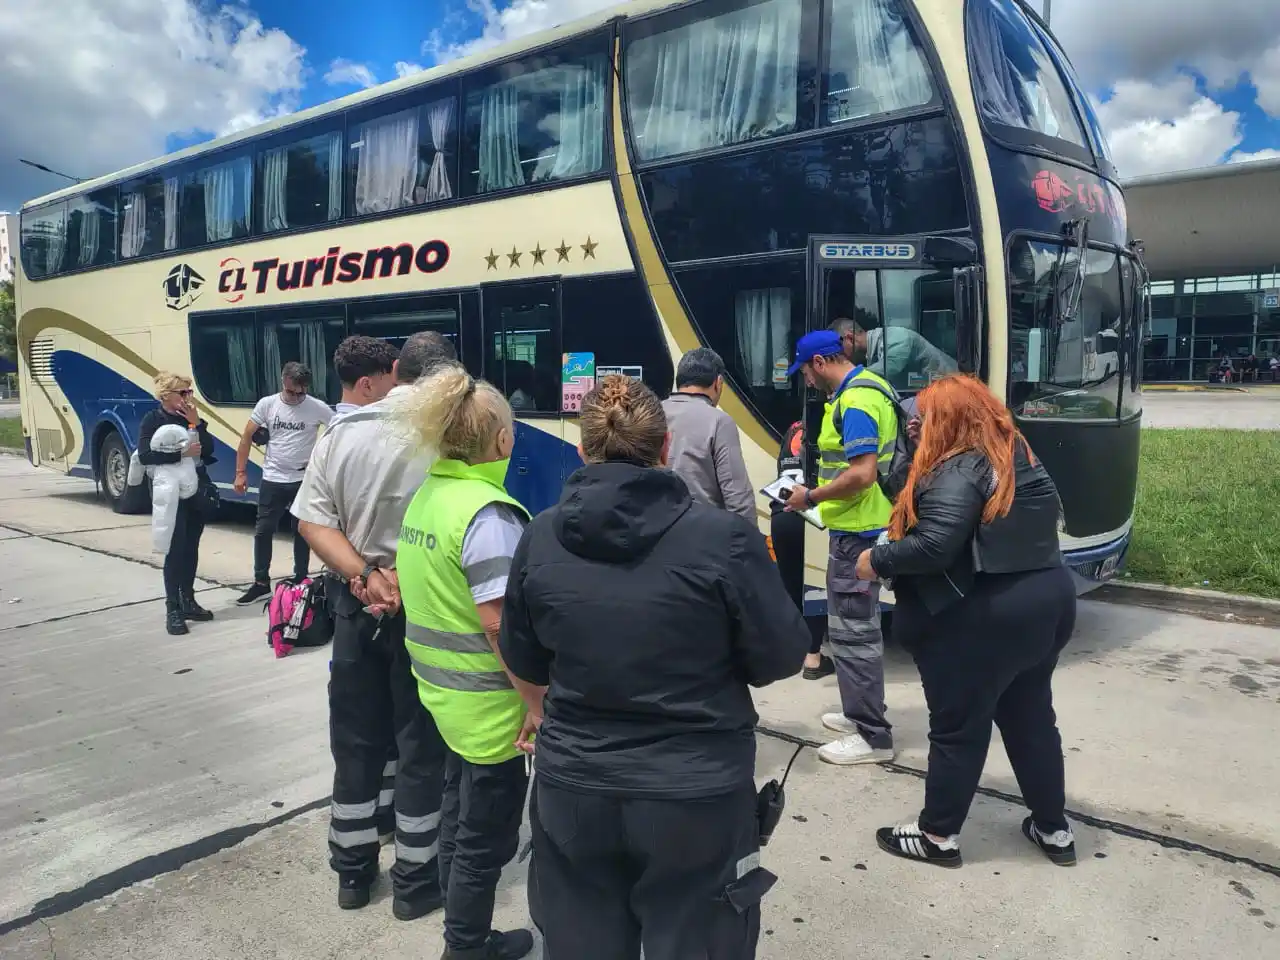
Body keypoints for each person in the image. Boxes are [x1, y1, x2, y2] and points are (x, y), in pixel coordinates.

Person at [499, 374, 809, 960]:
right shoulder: (724, 539)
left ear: (584, 449)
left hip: (575, 788)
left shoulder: (539, 537)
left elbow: (523, 657)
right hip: (695, 796)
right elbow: (781, 655)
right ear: (665, 449)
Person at [856, 375, 1076, 869]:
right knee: (1031, 720)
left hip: (986, 618)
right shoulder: (1015, 455)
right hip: (1046, 602)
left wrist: (878, 560)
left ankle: (937, 837)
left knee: (958, 728)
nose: (913, 420)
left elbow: (935, 545)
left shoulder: (959, 467)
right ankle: (1054, 829)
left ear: (953, 418)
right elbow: (906, 487)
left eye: (925, 413)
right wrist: (912, 447)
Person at [292, 334, 452, 920]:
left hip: (357, 607)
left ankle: (354, 876)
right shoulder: (445, 434)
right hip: (424, 609)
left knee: (357, 741)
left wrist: (365, 575)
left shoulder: (340, 434)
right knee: (419, 745)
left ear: (396, 372)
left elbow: (313, 525)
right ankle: (415, 883)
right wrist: (400, 580)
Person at [392, 364, 543, 960]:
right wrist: (536, 703)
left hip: (444, 698)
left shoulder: (430, 495)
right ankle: (467, 946)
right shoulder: (489, 514)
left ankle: (457, 921)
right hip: (490, 710)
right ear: (501, 440)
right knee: (486, 839)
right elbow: (497, 621)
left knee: (457, 814)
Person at [782, 330, 897, 766]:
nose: (807, 381)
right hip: (860, 526)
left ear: (819, 362)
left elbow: (863, 474)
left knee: (853, 635)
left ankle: (873, 737)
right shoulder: (869, 387)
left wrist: (808, 497)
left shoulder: (856, 402)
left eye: (806, 372)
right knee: (850, 630)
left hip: (859, 532)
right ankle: (859, 713)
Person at [234, 362, 334, 605]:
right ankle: (260, 582)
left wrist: (323, 459)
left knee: (302, 531)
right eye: (292, 392)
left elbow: (338, 430)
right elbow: (246, 437)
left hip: (303, 478)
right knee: (263, 530)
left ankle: (301, 578)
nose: (297, 397)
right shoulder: (267, 404)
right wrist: (240, 472)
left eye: (302, 393)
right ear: (283, 382)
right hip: (273, 478)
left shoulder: (316, 407)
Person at [138, 372, 215, 636]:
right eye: (183, 393)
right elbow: (146, 455)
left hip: (195, 489)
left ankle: (188, 600)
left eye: (189, 392)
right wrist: (179, 454)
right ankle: (173, 608)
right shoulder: (153, 420)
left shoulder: (190, 419)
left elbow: (208, 449)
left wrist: (196, 425)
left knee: (191, 545)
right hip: (170, 493)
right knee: (176, 548)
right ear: (165, 396)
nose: (188, 397)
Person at [661, 347, 756, 524]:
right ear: (718, 383)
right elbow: (738, 498)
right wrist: (750, 543)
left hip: (657, 530)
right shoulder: (718, 421)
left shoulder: (653, 412)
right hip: (702, 533)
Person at [769, 419, 831, 679]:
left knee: (791, 585)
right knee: (814, 586)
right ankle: (813, 658)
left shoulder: (792, 429)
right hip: (812, 517)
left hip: (782, 517)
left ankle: (790, 651)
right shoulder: (828, 430)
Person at [832, 315, 956, 386]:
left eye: (839, 349)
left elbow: (888, 368)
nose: (839, 355)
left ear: (850, 338)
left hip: (954, 391)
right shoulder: (874, 354)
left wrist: (841, 378)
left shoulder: (897, 338)